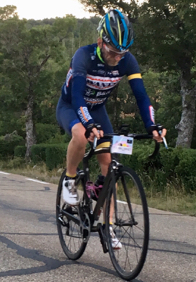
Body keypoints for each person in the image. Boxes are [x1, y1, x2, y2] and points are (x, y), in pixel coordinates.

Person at [56, 9, 167, 248]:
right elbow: (76, 97)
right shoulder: (83, 56)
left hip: (97, 111)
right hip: (71, 107)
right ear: (100, 42)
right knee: (80, 136)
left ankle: (108, 226)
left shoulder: (127, 60)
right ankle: (70, 179)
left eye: (122, 53)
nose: (118, 58)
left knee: (109, 166)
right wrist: (87, 124)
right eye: (113, 52)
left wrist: (152, 125)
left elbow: (141, 96)